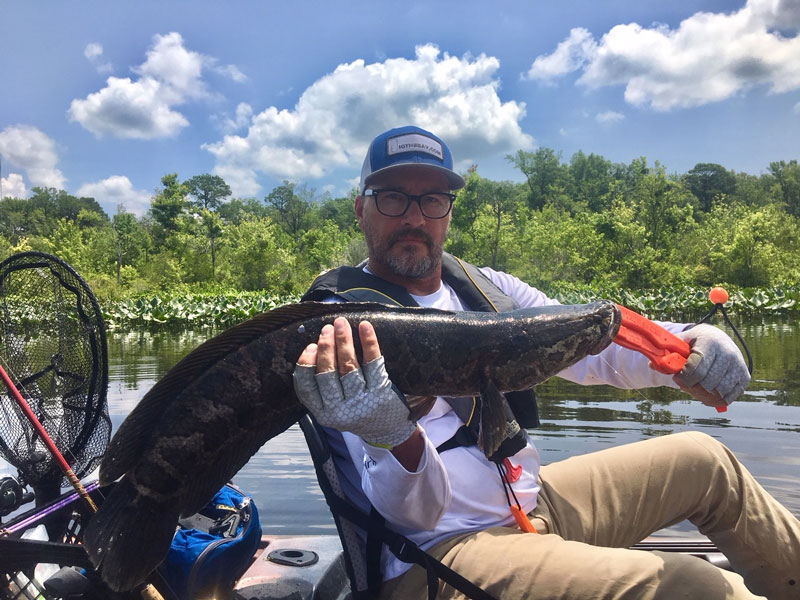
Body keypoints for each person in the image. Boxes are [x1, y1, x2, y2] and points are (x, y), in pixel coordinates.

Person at [292, 125, 800, 599]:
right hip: (439, 557)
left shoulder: (487, 289)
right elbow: (416, 516)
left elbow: (591, 343)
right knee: (693, 586)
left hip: (532, 505)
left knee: (706, 461)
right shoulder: (338, 329)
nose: (414, 217)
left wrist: (684, 345)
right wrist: (393, 436)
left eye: (432, 199)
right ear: (360, 208)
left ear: (449, 210)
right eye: (394, 197)